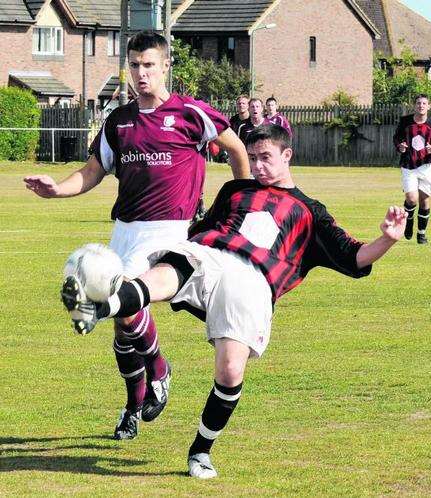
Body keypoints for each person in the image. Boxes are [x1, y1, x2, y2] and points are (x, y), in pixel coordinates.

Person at [62, 124, 406, 478]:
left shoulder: (310, 212)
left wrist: (387, 240)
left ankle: (200, 452)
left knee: (229, 373)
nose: (257, 166)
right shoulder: (235, 190)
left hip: (255, 282)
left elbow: (354, 257)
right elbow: (200, 230)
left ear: (287, 155)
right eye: (252, 158)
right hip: (211, 255)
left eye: (265, 158)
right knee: (171, 269)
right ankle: (96, 309)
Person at [24, 31, 250, 441]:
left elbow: (236, 150)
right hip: (124, 231)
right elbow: (93, 171)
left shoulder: (190, 114)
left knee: (125, 308)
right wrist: (57, 188)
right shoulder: (119, 121)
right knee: (123, 327)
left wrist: (244, 201)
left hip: (169, 230)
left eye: (149, 65)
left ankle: (159, 369)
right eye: (134, 65)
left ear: (165, 66)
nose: (141, 73)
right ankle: (134, 403)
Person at [393, 94, 431, 244]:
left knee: (424, 201)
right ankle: (409, 223)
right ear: (414, 105)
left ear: (428, 106)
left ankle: (421, 234)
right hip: (408, 165)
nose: (421, 106)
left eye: (424, 103)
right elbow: (396, 138)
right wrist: (400, 146)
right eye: (418, 103)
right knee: (411, 199)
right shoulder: (405, 121)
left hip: (427, 166)